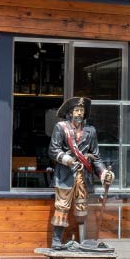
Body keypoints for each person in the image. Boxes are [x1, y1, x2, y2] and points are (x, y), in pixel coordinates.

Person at [48, 97, 114, 250]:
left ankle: (83, 242)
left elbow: (96, 156)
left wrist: (103, 173)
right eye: (76, 110)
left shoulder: (91, 131)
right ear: (70, 113)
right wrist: (68, 160)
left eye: (82, 111)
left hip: (83, 176)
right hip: (64, 175)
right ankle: (56, 242)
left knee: (82, 208)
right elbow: (53, 150)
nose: (79, 113)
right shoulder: (61, 127)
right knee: (61, 207)